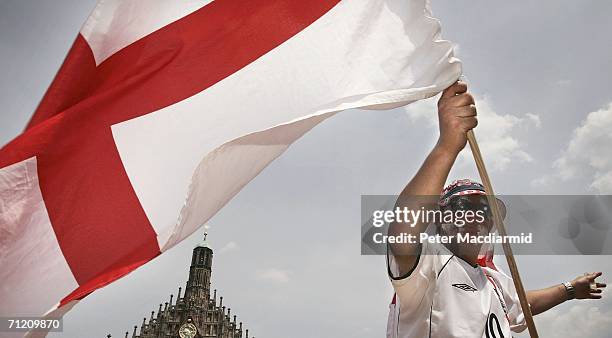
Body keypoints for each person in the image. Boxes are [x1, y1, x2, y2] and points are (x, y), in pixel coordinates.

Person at [385, 81, 606, 337]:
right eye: (461, 206)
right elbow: (402, 237)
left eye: (486, 211)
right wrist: (447, 146)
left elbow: (524, 304)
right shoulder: (431, 263)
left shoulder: (493, 279)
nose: (475, 216)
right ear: (439, 219)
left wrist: (569, 290)